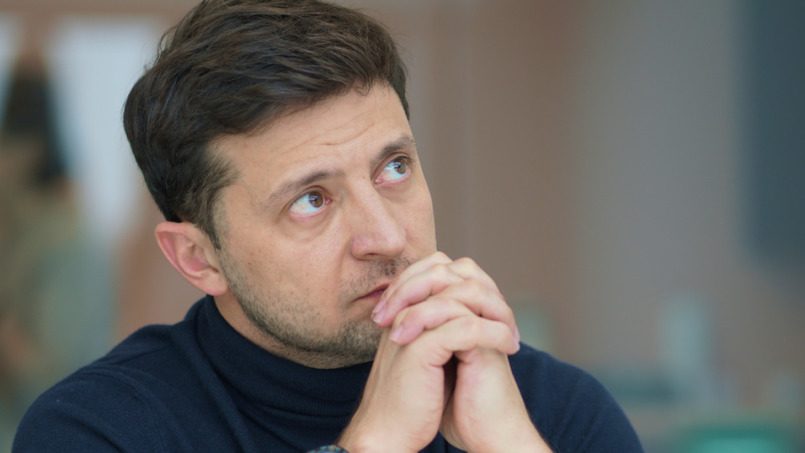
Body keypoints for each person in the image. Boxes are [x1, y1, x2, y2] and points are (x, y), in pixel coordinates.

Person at [14, 1, 643, 451]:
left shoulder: (553, 412)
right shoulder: (99, 430)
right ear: (199, 258)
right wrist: (373, 446)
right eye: (311, 200)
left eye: (394, 168)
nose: (387, 237)